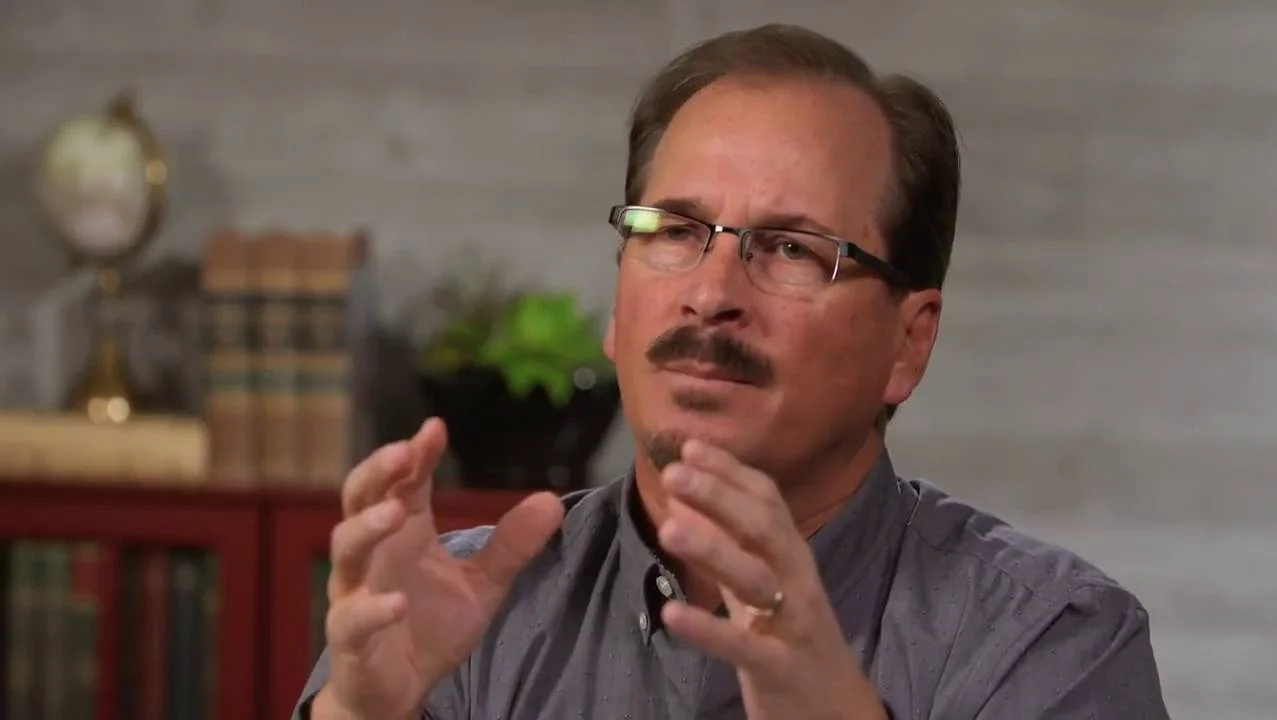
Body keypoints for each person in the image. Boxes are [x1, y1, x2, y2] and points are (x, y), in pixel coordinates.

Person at [294, 23, 1169, 720]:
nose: (710, 295)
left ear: (908, 344)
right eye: (675, 232)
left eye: (791, 249)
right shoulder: (458, 617)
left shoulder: (1050, 646)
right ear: (618, 303)